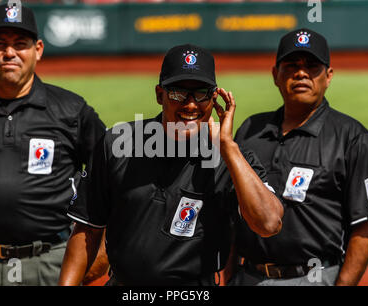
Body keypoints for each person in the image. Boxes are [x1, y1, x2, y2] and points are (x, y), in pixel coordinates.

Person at [58, 44, 284, 286]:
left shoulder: (230, 158)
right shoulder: (118, 144)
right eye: (177, 93)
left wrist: (228, 147)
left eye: (201, 93)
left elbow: (268, 224)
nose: (190, 105)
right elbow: (87, 231)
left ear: (214, 97)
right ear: (159, 95)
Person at [0, 2, 106, 286]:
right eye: (0, 43)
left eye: (20, 44)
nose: (9, 53)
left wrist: (102, 255)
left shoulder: (72, 111)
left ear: (38, 50)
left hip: (51, 263)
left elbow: (112, 181)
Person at [231, 28, 368, 286]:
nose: (301, 73)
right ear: (275, 75)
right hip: (248, 276)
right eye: (291, 65)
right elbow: (232, 211)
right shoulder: (250, 131)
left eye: (312, 66)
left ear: (328, 76)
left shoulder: (352, 138)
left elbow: (367, 224)